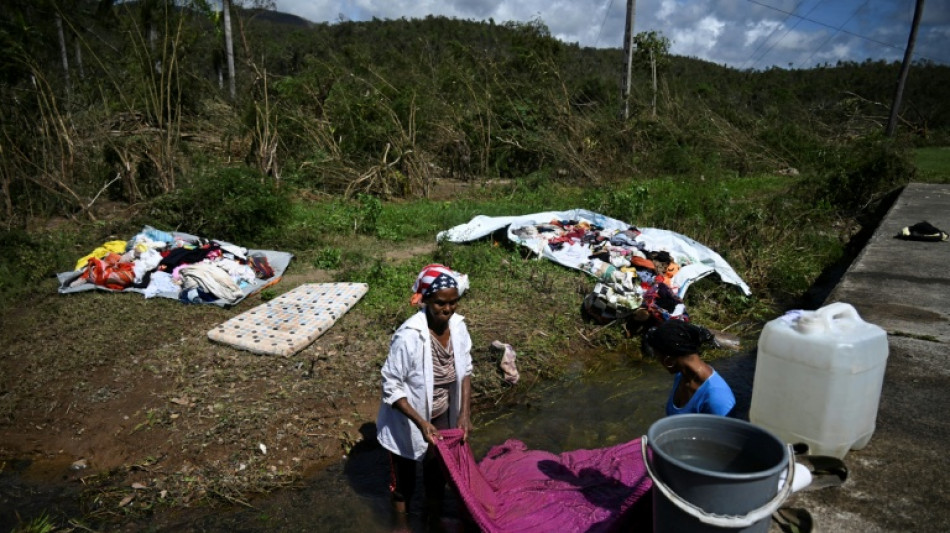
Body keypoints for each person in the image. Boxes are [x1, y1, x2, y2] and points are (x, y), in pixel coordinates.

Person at [376, 264, 473, 529]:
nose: (448, 309)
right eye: (441, 303)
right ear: (427, 300)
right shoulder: (409, 336)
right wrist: (421, 423)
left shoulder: (459, 328)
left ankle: (433, 522)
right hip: (408, 418)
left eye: (454, 302)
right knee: (404, 484)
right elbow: (391, 386)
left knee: (436, 475)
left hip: (441, 413)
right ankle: (401, 525)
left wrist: (464, 414)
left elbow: (466, 371)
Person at [643, 320, 736, 417]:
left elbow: (725, 431)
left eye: (658, 357)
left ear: (668, 361)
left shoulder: (717, 398)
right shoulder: (681, 375)